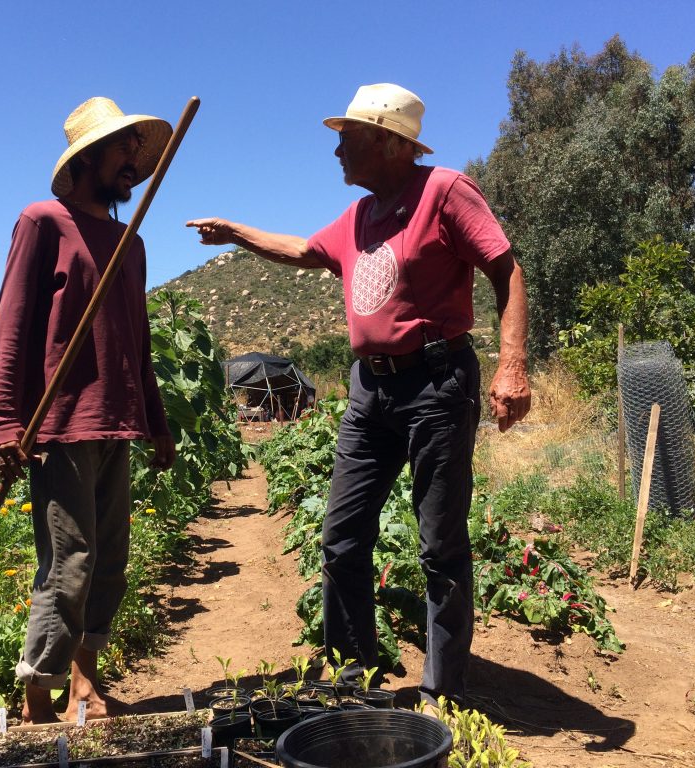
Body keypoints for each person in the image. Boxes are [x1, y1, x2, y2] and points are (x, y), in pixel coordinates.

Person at [187, 83, 530, 711]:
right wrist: (237, 232)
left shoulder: (444, 191)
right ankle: (355, 677)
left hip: (436, 383)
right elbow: (300, 249)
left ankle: (443, 691)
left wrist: (513, 366)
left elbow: (506, 270)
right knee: (342, 536)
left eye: (348, 137)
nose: (337, 150)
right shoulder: (358, 217)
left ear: (391, 142)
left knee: (439, 543)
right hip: (369, 389)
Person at [0, 96, 176, 724]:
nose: (132, 162)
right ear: (86, 158)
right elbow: (12, 325)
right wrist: (7, 423)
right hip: (63, 423)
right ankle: (37, 698)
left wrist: (157, 420)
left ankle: (84, 687)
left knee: (110, 564)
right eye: (121, 149)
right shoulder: (44, 221)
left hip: (118, 419)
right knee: (68, 564)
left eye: (135, 151)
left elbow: (137, 340)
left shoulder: (131, 241)